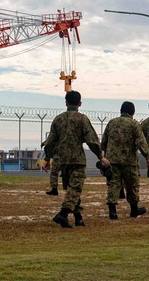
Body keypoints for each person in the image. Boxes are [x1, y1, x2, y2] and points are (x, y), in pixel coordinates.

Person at [43, 90, 107, 228]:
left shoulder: (58, 119)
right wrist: (101, 156)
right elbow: (92, 141)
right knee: (75, 188)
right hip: (77, 159)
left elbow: (50, 142)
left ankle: (78, 218)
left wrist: (47, 158)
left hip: (63, 160)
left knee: (71, 189)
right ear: (80, 103)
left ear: (66, 103)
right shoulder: (82, 119)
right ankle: (63, 214)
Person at [100, 101, 149, 220]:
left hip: (112, 160)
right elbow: (141, 143)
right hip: (129, 161)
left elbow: (104, 143)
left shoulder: (111, 123)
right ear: (133, 112)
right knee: (132, 185)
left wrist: (105, 156)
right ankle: (134, 210)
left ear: (121, 111)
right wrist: (148, 157)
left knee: (113, 184)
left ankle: (112, 211)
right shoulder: (134, 124)